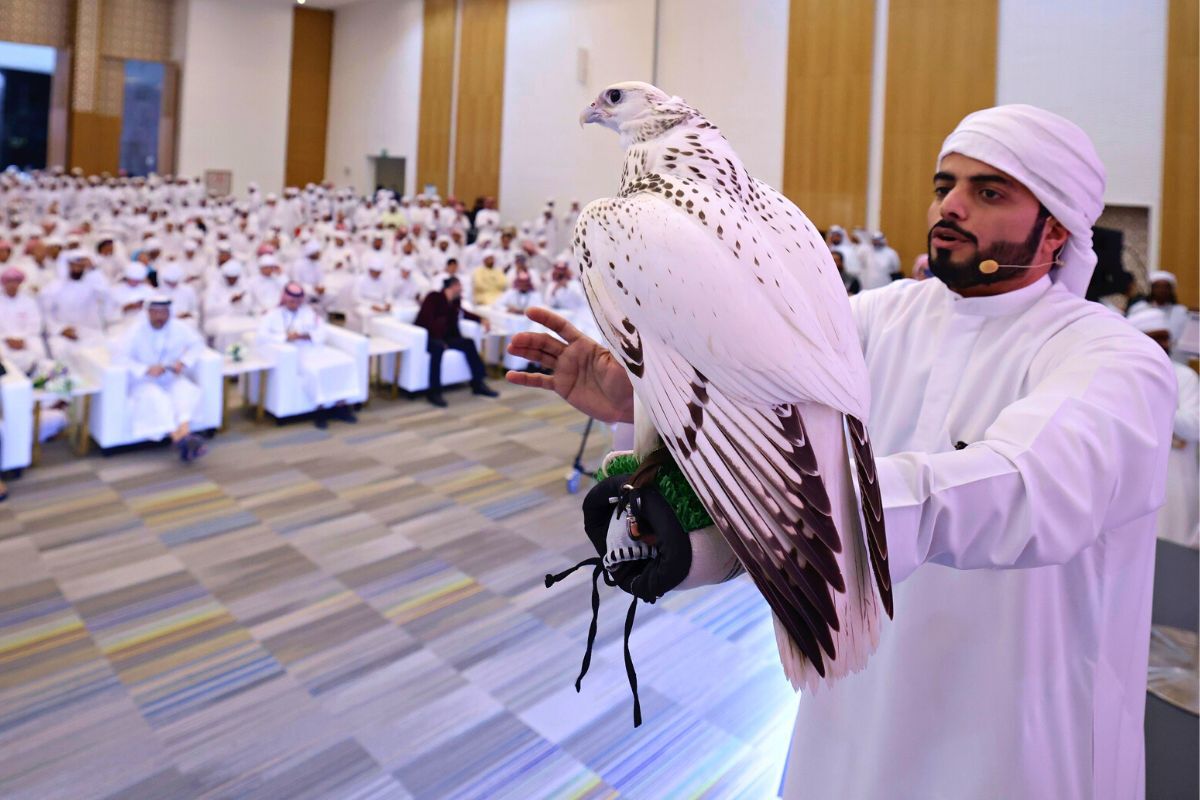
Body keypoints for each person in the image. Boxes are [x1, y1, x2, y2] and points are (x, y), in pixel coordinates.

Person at [506, 104, 1174, 799]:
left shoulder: (1112, 357)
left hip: (1015, 721)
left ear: (1057, 228)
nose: (951, 206)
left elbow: (1029, 487)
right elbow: (754, 449)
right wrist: (646, 408)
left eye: (989, 192)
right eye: (946, 184)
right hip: (853, 701)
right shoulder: (870, 319)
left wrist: (820, 504)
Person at [1128, 305, 1199, 547]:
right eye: (1155, 338)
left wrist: (1157, 406)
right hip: (1134, 481)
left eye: (1165, 337)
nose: (1163, 344)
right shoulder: (1124, 377)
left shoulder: (1185, 377)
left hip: (1176, 480)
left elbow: (1195, 426)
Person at [116, 297, 208, 461]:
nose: (160, 317)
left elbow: (198, 344)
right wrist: (145, 369)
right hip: (144, 381)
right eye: (156, 312)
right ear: (149, 312)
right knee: (156, 398)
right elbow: (120, 357)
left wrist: (183, 362)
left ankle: (185, 434)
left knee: (185, 390)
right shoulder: (135, 331)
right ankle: (179, 438)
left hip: (170, 376)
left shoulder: (179, 327)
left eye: (164, 313)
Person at [256, 282, 358, 428]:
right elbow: (261, 336)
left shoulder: (308, 312)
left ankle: (340, 406)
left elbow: (322, 330)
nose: (295, 304)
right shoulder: (273, 315)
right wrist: (285, 337)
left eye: (298, 301)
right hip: (294, 351)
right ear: (285, 299)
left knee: (345, 361)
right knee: (316, 370)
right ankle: (320, 410)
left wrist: (308, 336)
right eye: (292, 301)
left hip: (314, 347)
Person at [413, 276, 497, 407]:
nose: (461, 289)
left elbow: (464, 313)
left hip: (446, 336)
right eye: (459, 286)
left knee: (468, 343)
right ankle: (434, 392)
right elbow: (426, 319)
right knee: (438, 348)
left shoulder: (455, 301)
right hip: (427, 336)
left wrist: (481, 319)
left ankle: (478, 383)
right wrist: (440, 339)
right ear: (452, 287)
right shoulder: (433, 297)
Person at [42, 251, 109, 358]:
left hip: (89, 332)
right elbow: (46, 313)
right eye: (73, 265)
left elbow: (106, 296)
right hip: (62, 334)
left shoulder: (92, 284)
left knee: (100, 350)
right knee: (61, 351)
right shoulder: (53, 288)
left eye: (81, 265)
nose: (77, 268)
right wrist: (60, 330)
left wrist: (94, 269)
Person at [1128, 270, 1190, 362]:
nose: (1162, 290)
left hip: (1175, 359)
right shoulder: (1138, 308)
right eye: (1158, 287)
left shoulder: (1181, 311)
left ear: (1171, 290)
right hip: (1145, 355)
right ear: (1152, 289)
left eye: (1166, 287)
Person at [0, 267, 48, 375]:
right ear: (4, 283)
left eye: (15, 282)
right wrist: (7, 339)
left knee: (39, 349)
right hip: (4, 340)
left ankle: (39, 379)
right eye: (9, 282)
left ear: (20, 283)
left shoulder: (29, 301)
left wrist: (23, 339)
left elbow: (36, 323)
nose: (12, 285)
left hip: (27, 338)